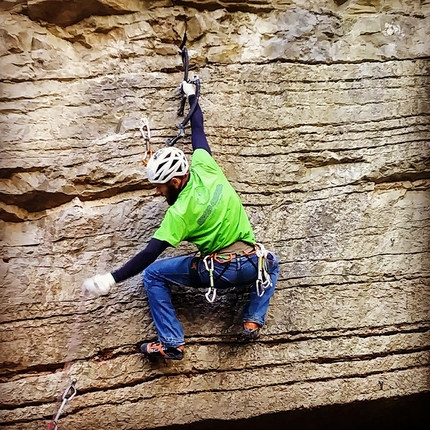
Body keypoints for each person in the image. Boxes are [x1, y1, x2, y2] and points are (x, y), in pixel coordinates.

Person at [82, 80, 279, 361]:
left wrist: (111, 279)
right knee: (273, 263)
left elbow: (149, 254)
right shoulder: (205, 167)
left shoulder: (179, 213)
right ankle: (252, 320)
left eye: (160, 186)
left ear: (175, 181)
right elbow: (197, 129)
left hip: (219, 272)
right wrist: (192, 96)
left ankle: (172, 342)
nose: (158, 191)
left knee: (153, 275)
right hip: (253, 263)